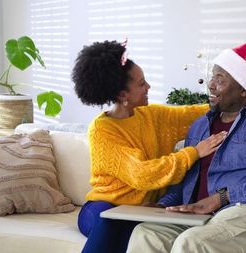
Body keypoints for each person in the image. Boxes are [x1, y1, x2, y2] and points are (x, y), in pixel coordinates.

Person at [127, 40, 246, 253]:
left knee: (194, 243)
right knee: (146, 235)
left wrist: (223, 197)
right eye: (212, 76)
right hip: (204, 220)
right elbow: (185, 184)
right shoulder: (199, 127)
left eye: (220, 79)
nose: (211, 84)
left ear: (243, 89)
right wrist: (161, 207)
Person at [71, 40, 227, 253]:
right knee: (111, 224)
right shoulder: (102, 129)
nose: (148, 87)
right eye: (141, 83)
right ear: (122, 95)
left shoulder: (152, 115)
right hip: (103, 207)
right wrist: (194, 152)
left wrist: (226, 99)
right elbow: (142, 174)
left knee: (146, 232)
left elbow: (190, 114)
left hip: (143, 212)